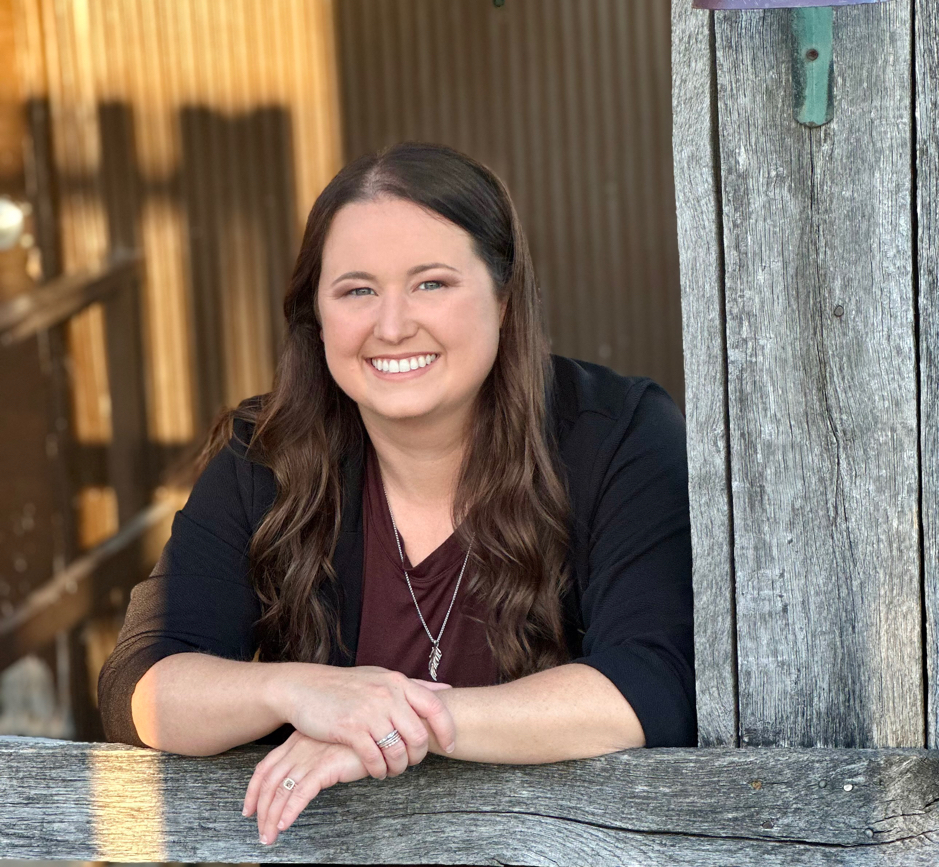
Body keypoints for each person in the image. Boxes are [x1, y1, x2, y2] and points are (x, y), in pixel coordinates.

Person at [98, 142, 695, 847]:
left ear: (503, 299)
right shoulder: (267, 458)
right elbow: (139, 686)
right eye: (356, 291)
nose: (391, 325)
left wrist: (390, 727)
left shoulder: (616, 437)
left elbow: (652, 685)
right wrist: (298, 692)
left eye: (431, 284)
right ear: (315, 314)